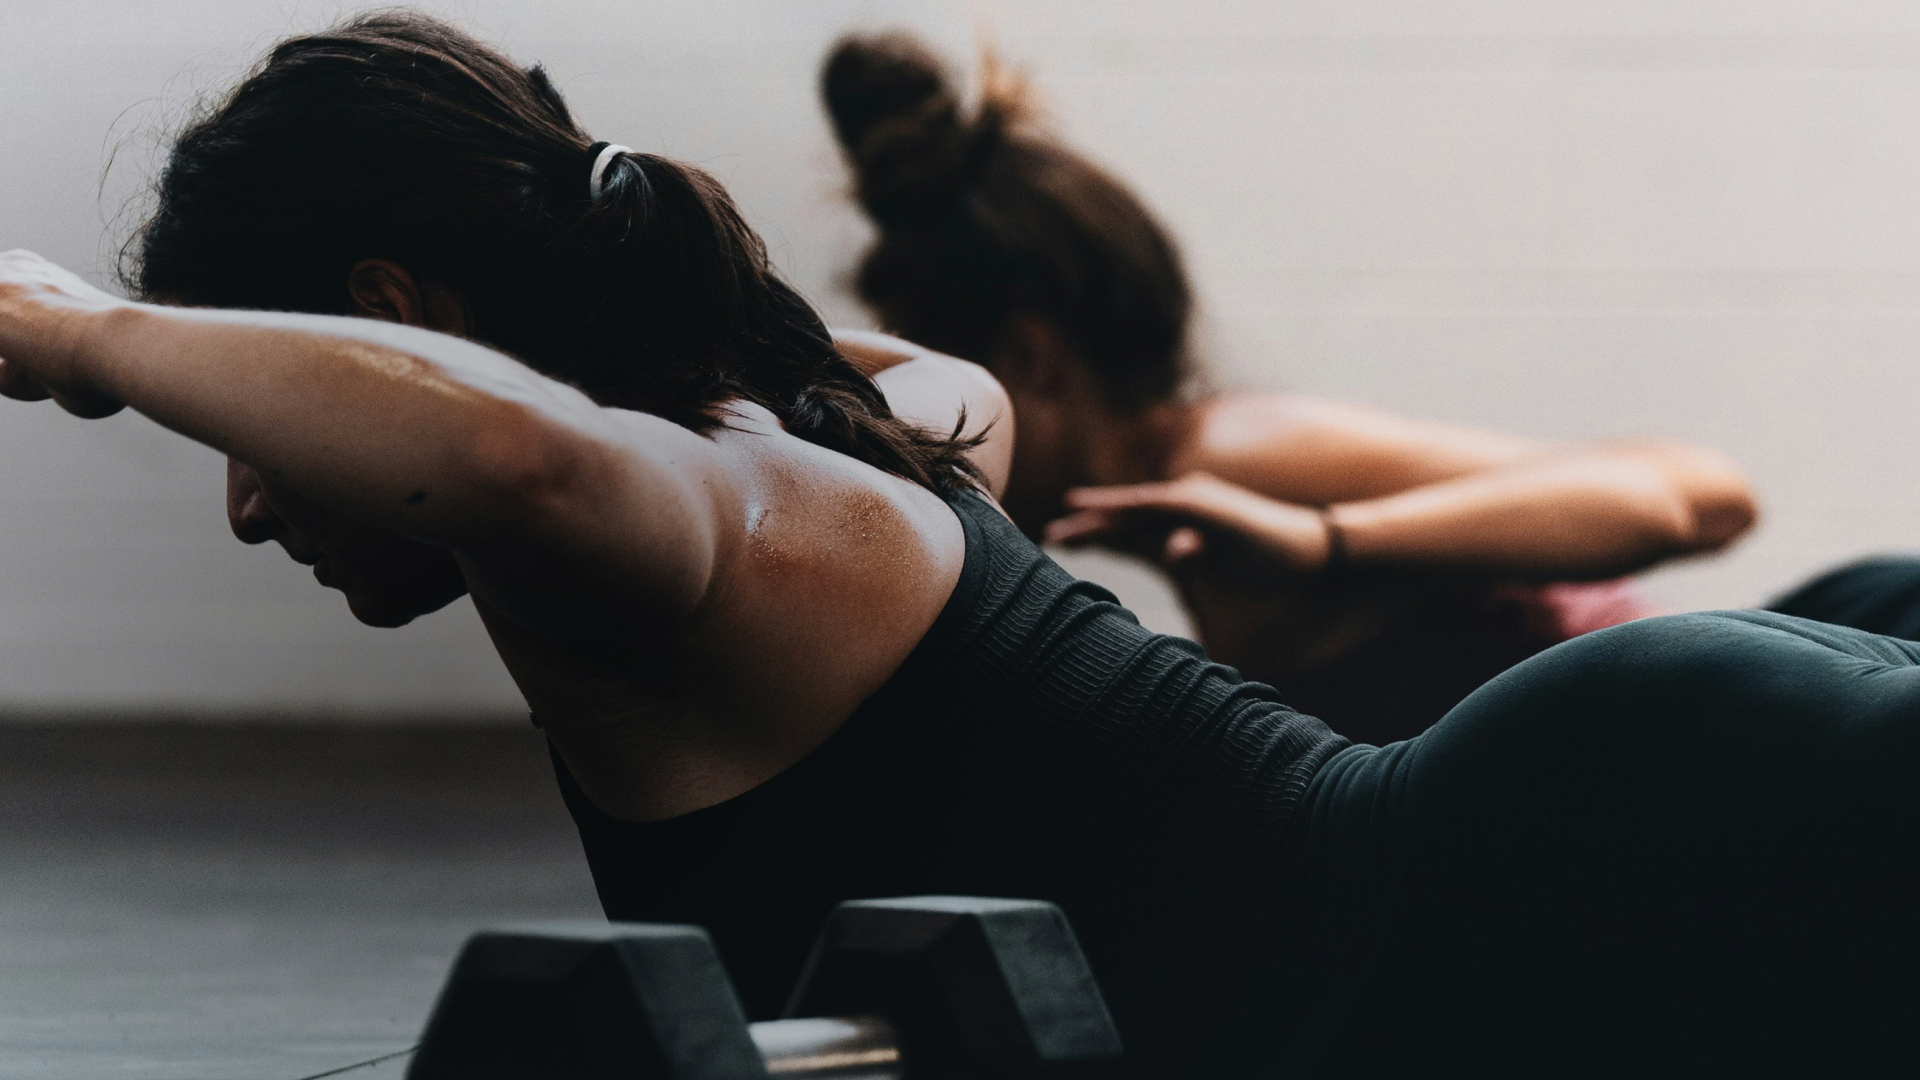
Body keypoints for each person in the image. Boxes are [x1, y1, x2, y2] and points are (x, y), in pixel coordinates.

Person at [3, 13, 1917, 1072]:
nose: (249, 492)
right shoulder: (891, 415)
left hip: (1606, 869)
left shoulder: (700, 521)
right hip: (1633, 801)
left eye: (237, 422)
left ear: (389, 310)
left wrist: (87, 342)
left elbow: (530, 463)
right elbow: (573, 410)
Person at [820, 34, 1761, 745]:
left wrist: (1322, 544)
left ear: (1029, 360)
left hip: (1712, 774)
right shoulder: (1195, 528)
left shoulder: (1232, 453)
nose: (921, 436)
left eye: (932, 384)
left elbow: (1700, 496)